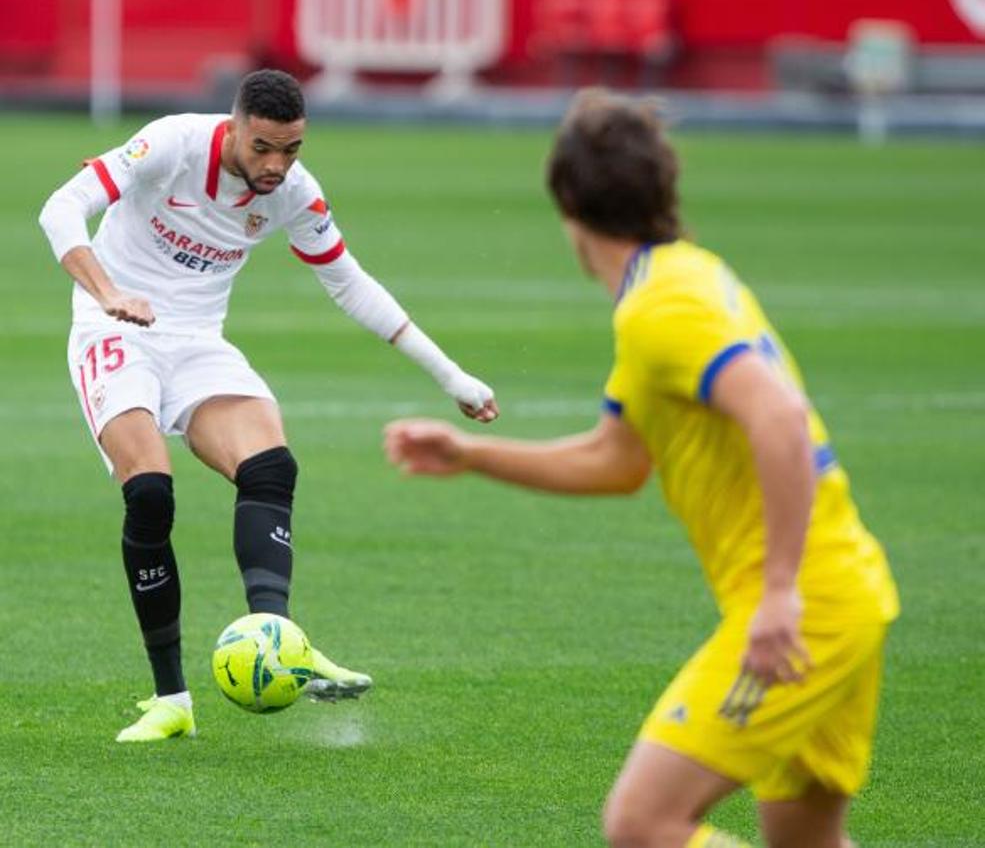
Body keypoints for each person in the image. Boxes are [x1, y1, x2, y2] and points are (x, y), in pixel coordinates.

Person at [384, 89, 898, 848]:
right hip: (844, 595)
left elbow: (780, 418)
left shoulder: (660, 310)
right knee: (803, 841)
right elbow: (616, 460)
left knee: (642, 822)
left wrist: (780, 593)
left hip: (804, 609)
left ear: (566, 202)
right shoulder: (681, 277)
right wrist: (471, 455)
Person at [38, 69, 499, 743]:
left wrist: (451, 375)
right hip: (114, 331)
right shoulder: (171, 144)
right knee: (150, 496)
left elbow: (349, 283)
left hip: (196, 342)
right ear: (234, 126)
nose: (276, 165)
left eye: (292, 150)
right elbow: (59, 208)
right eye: (262, 148)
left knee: (271, 469)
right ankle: (171, 699)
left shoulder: (292, 193)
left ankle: (277, 643)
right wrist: (107, 292)